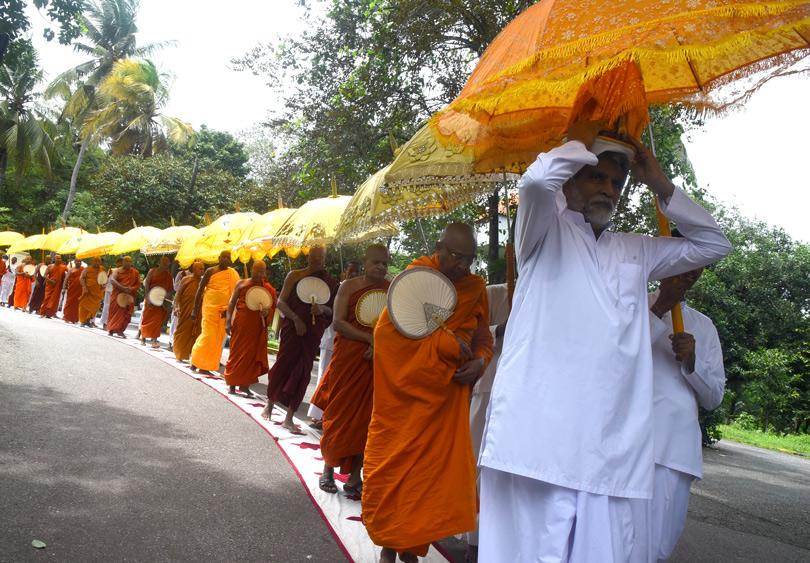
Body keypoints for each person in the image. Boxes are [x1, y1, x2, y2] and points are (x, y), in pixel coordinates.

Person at [476, 121, 732, 562]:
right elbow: (536, 181)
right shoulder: (541, 231)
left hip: (607, 446)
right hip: (536, 437)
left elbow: (714, 243)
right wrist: (585, 137)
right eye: (598, 175)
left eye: (617, 181)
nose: (609, 188)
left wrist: (660, 183)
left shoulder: (637, 250)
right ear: (572, 179)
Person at [363, 224, 493, 563]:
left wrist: (479, 363)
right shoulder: (415, 278)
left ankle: (412, 546)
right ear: (438, 246)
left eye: (469, 258)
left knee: (429, 479)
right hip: (405, 403)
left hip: (445, 402)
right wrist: (446, 345)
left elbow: (483, 339)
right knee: (396, 473)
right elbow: (388, 336)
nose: (462, 264)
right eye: (454, 255)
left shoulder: (475, 288)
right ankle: (390, 546)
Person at [633, 259, 726, 561]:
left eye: (697, 266)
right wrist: (658, 310)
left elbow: (714, 397)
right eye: (684, 262)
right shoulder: (629, 304)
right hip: (626, 443)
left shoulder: (704, 326)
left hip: (673, 452)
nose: (691, 271)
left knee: (656, 547)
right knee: (612, 540)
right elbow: (608, 361)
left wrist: (692, 363)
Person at [312, 246, 390, 495]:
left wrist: (379, 342)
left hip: (375, 363)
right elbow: (338, 322)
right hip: (349, 359)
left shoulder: (392, 291)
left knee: (365, 419)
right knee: (339, 413)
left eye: (385, 264)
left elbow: (396, 325)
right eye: (376, 262)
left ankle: (355, 477)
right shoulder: (349, 286)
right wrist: (369, 339)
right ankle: (328, 470)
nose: (381, 267)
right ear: (365, 263)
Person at [261, 246, 338, 432]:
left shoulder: (330, 283)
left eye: (320, 257)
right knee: (283, 365)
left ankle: (289, 417)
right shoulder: (295, 275)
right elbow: (281, 302)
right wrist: (295, 319)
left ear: (325, 259)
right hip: (293, 329)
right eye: (313, 256)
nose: (316, 260)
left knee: (302, 372)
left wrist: (321, 309)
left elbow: (332, 311)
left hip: (312, 332)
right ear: (308, 257)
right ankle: (269, 405)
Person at [465, 282, 510, 562]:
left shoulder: (550, 293)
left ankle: (501, 543)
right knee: (475, 462)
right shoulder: (494, 293)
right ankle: (473, 541)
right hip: (489, 385)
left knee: (507, 473)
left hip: (526, 394)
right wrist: (501, 328)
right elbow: (473, 335)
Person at [307, 259, 362, 425]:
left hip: (348, 342)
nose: (353, 274)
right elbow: (330, 312)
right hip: (331, 337)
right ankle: (317, 415)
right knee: (323, 376)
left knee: (337, 380)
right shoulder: (337, 288)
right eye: (351, 271)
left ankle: (330, 414)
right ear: (344, 272)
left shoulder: (360, 291)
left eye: (357, 272)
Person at [223, 260, 277, 396]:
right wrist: (228, 321)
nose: (259, 274)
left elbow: (271, 308)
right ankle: (232, 384)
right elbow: (231, 303)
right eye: (257, 270)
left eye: (262, 271)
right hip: (241, 325)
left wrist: (267, 312)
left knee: (251, 356)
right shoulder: (241, 283)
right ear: (252, 269)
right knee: (236, 353)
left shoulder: (268, 289)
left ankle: (245, 385)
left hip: (257, 327)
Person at [190, 251, 240, 374]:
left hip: (224, 312)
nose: (226, 259)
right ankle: (196, 361)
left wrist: (228, 311)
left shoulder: (233, 274)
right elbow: (200, 290)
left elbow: (235, 295)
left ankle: (204, 365)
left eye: (229, 258)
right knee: (208, 336)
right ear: (219, 258)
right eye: (224, 257)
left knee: (217, 339)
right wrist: (194, 310)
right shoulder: (210, 271)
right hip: (210, 309)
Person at [173, 261, 204, 362]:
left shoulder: (203, 282)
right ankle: (180, 353)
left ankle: (192, 355)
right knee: (182, 331)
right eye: (200, 269)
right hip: (186, 310)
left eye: (203, 269)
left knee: (196, 332)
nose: (202, 271)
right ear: (194, 269)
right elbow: (178, 295)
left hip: (198, 311)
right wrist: (176, 307)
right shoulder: (186, 279)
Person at [140, 256, 174, 348]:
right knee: (146, 318)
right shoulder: (152, 271)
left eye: (167, 264)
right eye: (164, 263)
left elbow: (171, 289)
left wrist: (166, 296)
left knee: (157, 320)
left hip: (160, 301)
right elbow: (147, 284)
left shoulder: (168, 275)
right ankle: (143, 338)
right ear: (160, 263)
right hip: (150, 298)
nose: (165, 265)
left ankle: (154, 340)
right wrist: (147, 297)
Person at [107, 256, 141, 338]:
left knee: (126, 314)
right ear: (123, 262)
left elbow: (138, 284)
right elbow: (112, 280)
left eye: (129, 262)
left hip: (129, 296)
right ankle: (111, 329)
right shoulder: (117, 271)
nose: (128, 263)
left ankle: (120, 330)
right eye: (126, 261)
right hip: (117, 295)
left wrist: (131, 289)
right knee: (114, 312)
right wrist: (122, 288)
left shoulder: (135, 272)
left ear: (131, 263)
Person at [78, 257, 106, 326]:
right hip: (88, 291)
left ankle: (87, 320)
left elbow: (103, 279)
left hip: (98, 292)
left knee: (95, 307)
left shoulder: (102, 269)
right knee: (84, 306)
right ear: (92, 262)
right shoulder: (87, 269)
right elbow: (81, 278)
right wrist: (84, 287)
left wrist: (103, 285)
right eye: (95, 261)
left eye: (98, 261)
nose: (97, 263)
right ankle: (82, 321)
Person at [168, 265, 189, 351]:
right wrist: (182, 279)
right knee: (175, 323)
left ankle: (181, 345)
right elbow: (176, 288)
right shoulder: (181, 273)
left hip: (190, 303)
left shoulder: (200, 276)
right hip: (180, 301)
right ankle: (171, 343)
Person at [100, 258, 123, 329]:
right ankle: (105, 323)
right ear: (117, 263)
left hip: (117, 291)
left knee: (114, 308)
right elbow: (106, 279)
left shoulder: (123, 272)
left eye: (122, 263)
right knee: (107, 306)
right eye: (120, 262)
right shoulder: (112, 270)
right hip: (109, 290)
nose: (121, 264)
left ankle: (111, 324)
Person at [61, 258, 84, 324]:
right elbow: (66, 279)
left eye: (80, 262)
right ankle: (67, 317)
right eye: (77, 261)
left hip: (80, 289)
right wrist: (63, 288)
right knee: (69, 302)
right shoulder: (71, 269)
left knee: (77, 303)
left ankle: (74, 318)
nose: (79, 263)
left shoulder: (83, 270)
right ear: (75, 262)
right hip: (72, 289)